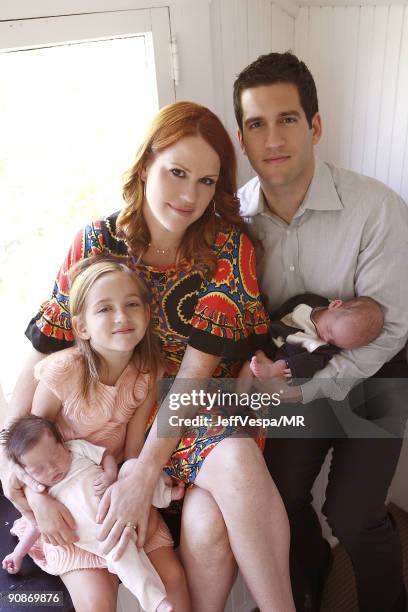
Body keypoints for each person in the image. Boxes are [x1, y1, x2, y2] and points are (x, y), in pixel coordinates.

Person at [1, 101, 295, 612]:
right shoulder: (96, 242)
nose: (189, 195)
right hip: (118, 420)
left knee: (227, 480)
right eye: (176, 172)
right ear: (145, 166)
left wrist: (141, 474)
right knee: (206, 526)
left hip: (200, 410)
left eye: (207, 181)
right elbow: (43, 349)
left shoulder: (230, 248)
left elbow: (196, 376)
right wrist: (10, 457)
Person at [235, 52, 408, 612]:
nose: (272, 138)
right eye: (256, 124)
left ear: (314, 125)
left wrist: (306, 393)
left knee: (354, 516)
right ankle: (308, 580)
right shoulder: (233, 221)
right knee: (278, 497)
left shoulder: (377, 208)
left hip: (375, 369)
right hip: (295, 368)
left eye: (286, 118)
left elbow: (391, 330)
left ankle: (387, 599)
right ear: (242, 139)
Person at [2, 415, 185, 612]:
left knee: (132, 467)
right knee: (122, 555)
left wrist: (109, 474)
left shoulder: (76, 449)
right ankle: (156, 602)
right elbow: (37, 525)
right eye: (39, 470)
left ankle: (166, 494)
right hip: (105, 537)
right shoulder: (43, 492)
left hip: (122, 500)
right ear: (27, 474)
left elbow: (105, 456)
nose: (51, 469)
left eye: (54, 458)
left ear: (62, 445)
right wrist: (18, 554)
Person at [238, 294, 384, 386]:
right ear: (335, 305)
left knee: (279, 370)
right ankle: (236, 402)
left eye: (334, 341)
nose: (325, 338)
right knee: (250, 364)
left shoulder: (327, 346)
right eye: (329, 329)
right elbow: (282, 312)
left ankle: (270, 371)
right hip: (270, 340)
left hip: (287, 360)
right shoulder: (308, 303)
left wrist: (289, 366)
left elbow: (316, 361)